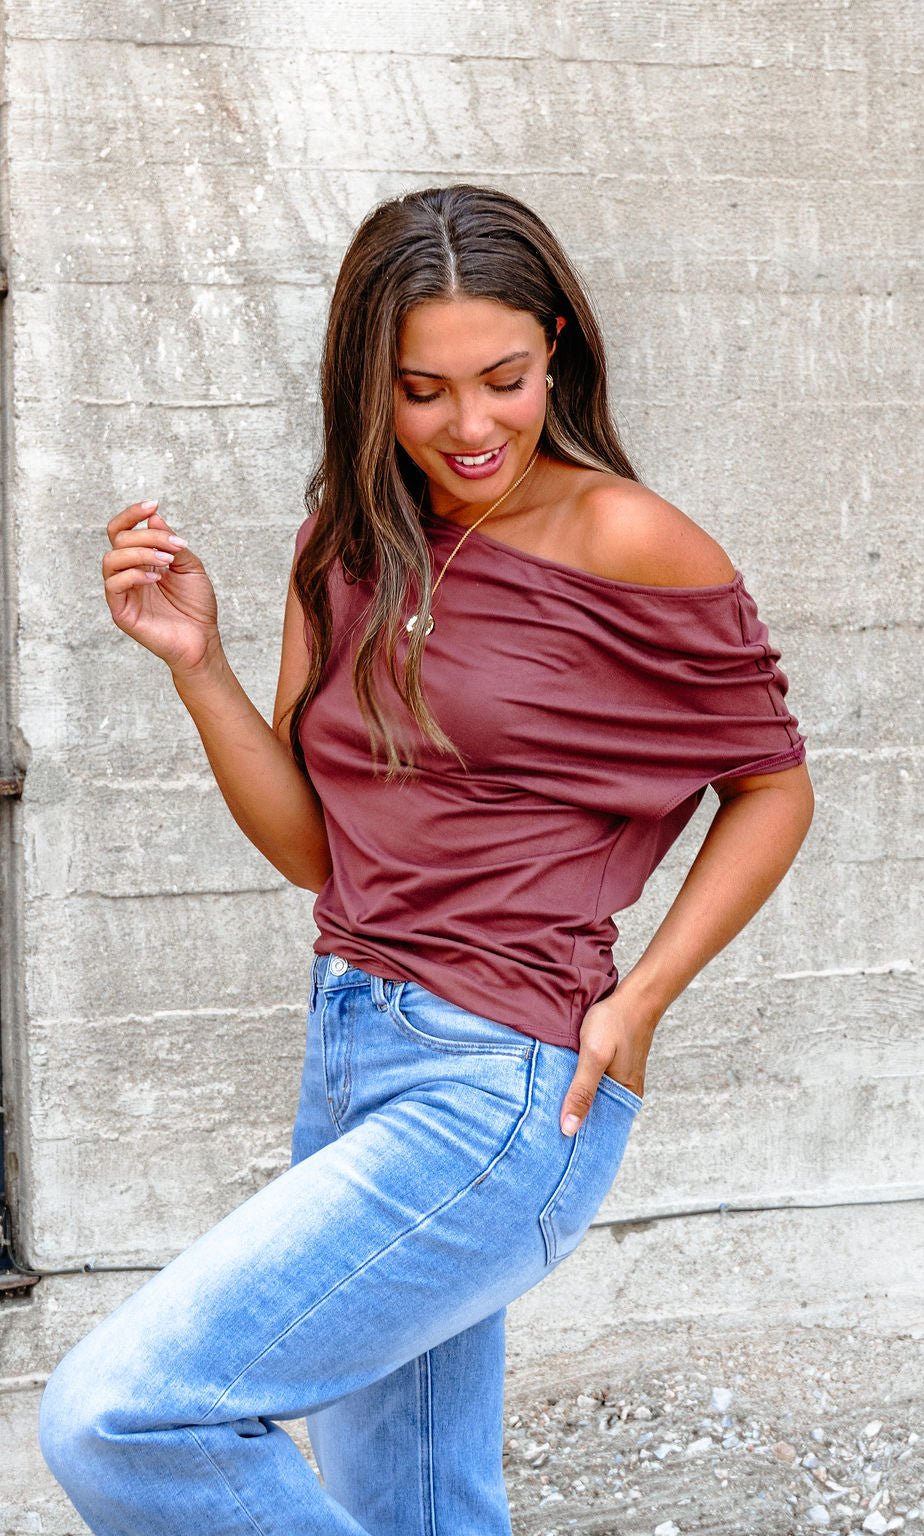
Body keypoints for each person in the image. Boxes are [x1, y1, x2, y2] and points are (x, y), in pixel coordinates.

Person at [38, 184, 814, 1534]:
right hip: (352, 1051)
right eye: (425, 390)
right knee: (418, 1512)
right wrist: (198, 666)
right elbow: (311, 851)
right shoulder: (345, 546)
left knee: (118, 1417)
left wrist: (640, 1002)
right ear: (370, 388)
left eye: (503, 379)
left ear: (556, 347)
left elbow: (773, 787)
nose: (471, 426)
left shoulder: (627, 539)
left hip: (504, 1085)